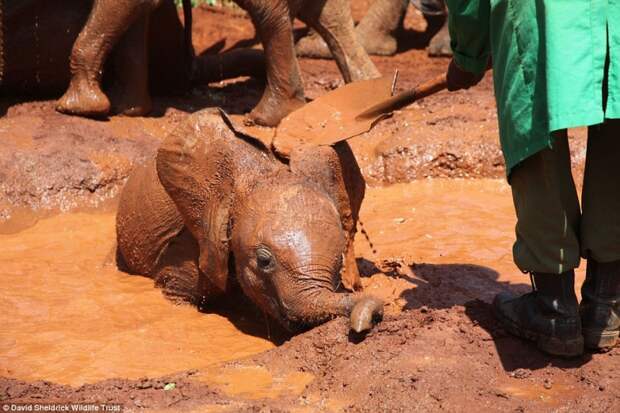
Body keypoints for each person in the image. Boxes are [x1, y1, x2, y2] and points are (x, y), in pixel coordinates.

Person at [444, 0, 620, 357]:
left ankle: (553, 310)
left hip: (541, 14)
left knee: (534, 130)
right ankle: (607, 304)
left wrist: (469, 53)